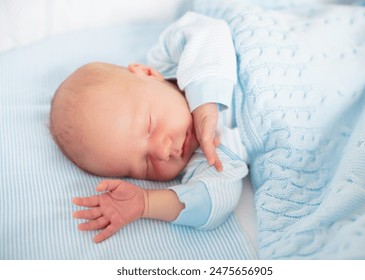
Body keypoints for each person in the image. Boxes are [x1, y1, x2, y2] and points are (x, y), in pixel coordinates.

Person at [50, 12, 249, 243]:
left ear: (147, 73)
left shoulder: (171, 60)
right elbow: (217, 200)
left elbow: (208, 30)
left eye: (150, 126)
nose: (162, 152)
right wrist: (146, 202)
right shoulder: (205, 160)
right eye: (144, 166)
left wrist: (205, 103)